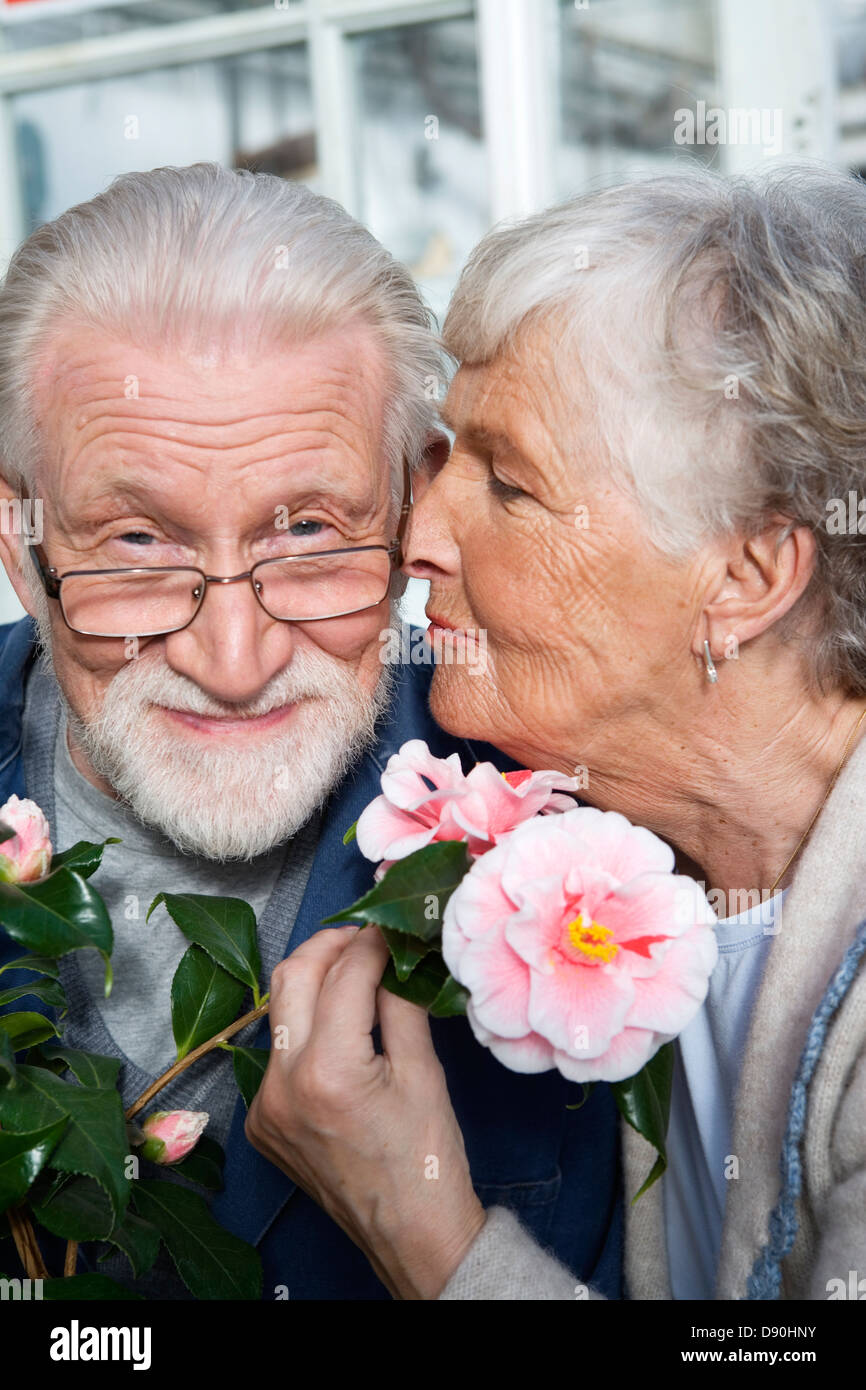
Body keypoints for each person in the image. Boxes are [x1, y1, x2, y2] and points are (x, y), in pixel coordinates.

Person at [244, 161, 866, 1301]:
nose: (414, 535)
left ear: (745, 573)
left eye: (510, 485)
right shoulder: (638, 851)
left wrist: (426, 1235)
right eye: (443, 457)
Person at [0, 163, 622, 1300]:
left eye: (310, 530)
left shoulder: (595, 810)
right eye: (138, 541)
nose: (232, 663)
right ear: (18, 530)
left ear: (414, 499)